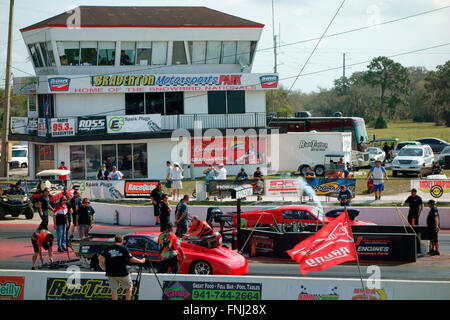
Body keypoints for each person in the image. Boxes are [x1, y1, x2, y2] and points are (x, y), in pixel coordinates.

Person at [99, 234, 145, 300]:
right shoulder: (124, 248)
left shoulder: (108, 248)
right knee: (129, 287)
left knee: (114, 289)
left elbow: (99, 258)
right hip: (122, 272)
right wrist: (141, 261)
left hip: (110, 272)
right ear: (122, 241)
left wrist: (104, 267)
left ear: (114, 241)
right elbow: (131, 258)